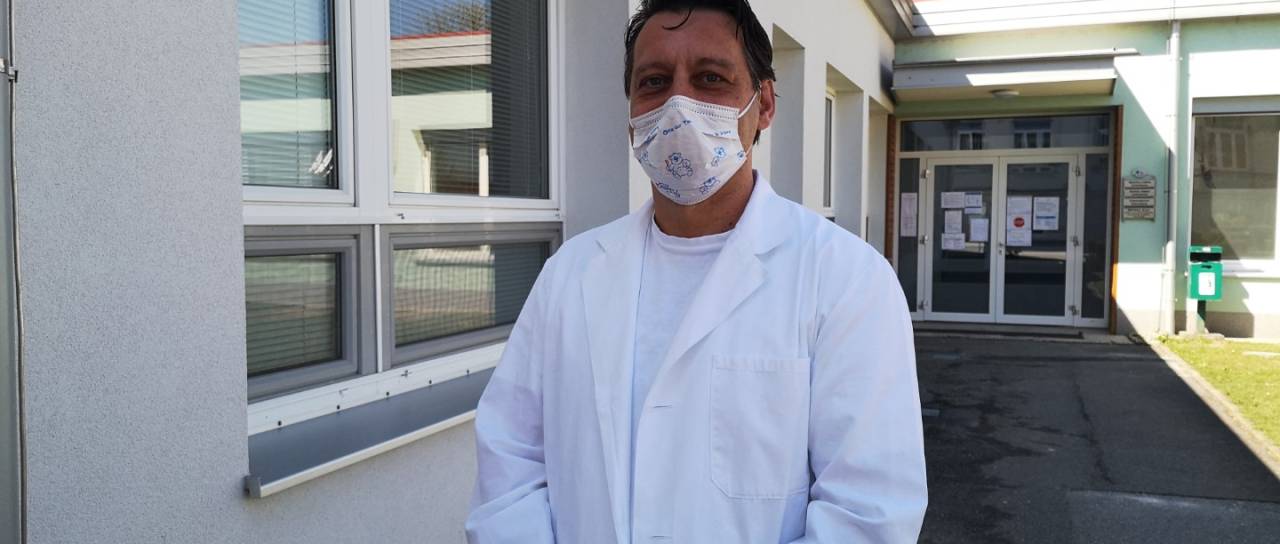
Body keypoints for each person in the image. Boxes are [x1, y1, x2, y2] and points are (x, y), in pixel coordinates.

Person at [465, 0, 927, 542]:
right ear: (632, 115)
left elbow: (868, 516)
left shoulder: (847, 280)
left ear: (765, 104)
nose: (677, 104)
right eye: (654, 82)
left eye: (710, 78)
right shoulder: (570, 274)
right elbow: (510, 463)